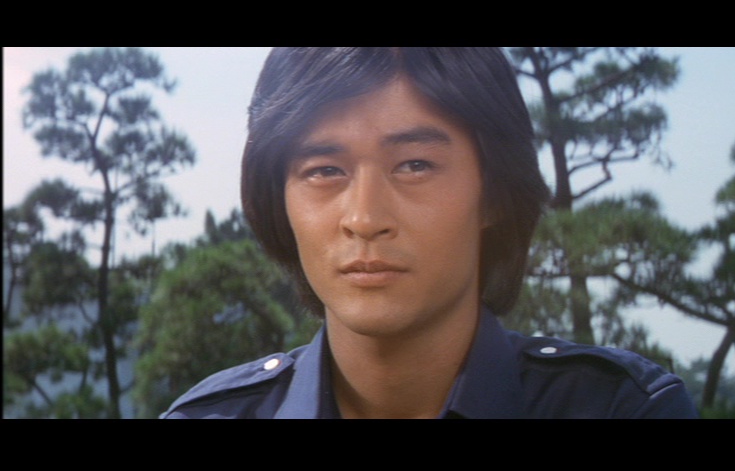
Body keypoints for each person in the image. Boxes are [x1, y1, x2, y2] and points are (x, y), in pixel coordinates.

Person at [161, 47, 699, 419]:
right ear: (278, 201)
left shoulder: (619, 408)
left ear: (493, 192)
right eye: (325, 171)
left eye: (415, 165)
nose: (364, 218)